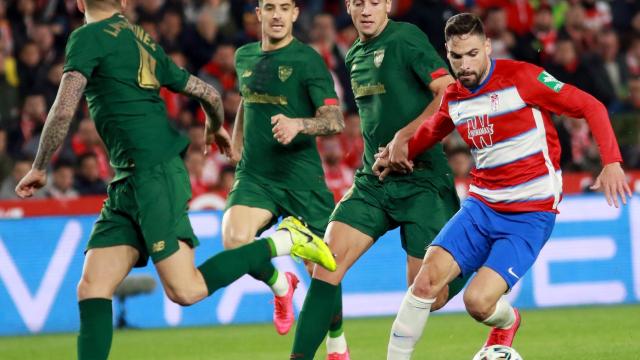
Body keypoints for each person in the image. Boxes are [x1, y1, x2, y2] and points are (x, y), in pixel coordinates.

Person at [13, 1, 336, 360]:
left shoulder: (86, 38)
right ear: (123, 3)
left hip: (154, 175)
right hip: (127, 182)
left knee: (187, 290)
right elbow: (209, 93)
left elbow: (63, 106)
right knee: (92, 287)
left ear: (77, 4)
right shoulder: (143, 40)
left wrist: (40, 165)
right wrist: (216, 126)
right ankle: (280, 280)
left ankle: (284, 240)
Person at [372, 13, 632, 359]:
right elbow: (431, 131)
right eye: (456, 56)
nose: (464, 64)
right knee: (424, 286)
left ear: (488, 48)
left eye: (472, 54)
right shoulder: (454, 98)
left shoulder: (523, 78)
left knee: (477, 302)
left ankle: (507, 321)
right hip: (481, 206)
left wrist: (611, 161)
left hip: (530, 213)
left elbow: (591, 106)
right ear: (447, 54)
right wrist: (394, 154)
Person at [290, 1, 469, 359]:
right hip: (374, 180)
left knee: (430, 298)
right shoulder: (354, 53)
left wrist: (406, 137)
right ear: (349, 7)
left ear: (387, 4)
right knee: (326, 264)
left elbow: (450, 92)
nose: (366, 10)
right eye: (358, 3)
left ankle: (468, 255)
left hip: (422, 182)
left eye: (374, 1)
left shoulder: (406, 38)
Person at [223, 0, 347, 354]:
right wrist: (236, 140)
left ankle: (337, 339)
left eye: (284, 8)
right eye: (269, 7)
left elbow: (335, 121)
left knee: (324, 269)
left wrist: (299, 124)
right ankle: (281, 284)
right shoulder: (244, 55)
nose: (277, 15)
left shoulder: (307, 60)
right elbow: (249, 100)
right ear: (258, 14)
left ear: (295, 14)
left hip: (301, 179)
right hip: (256, 176)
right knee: (234, 242)